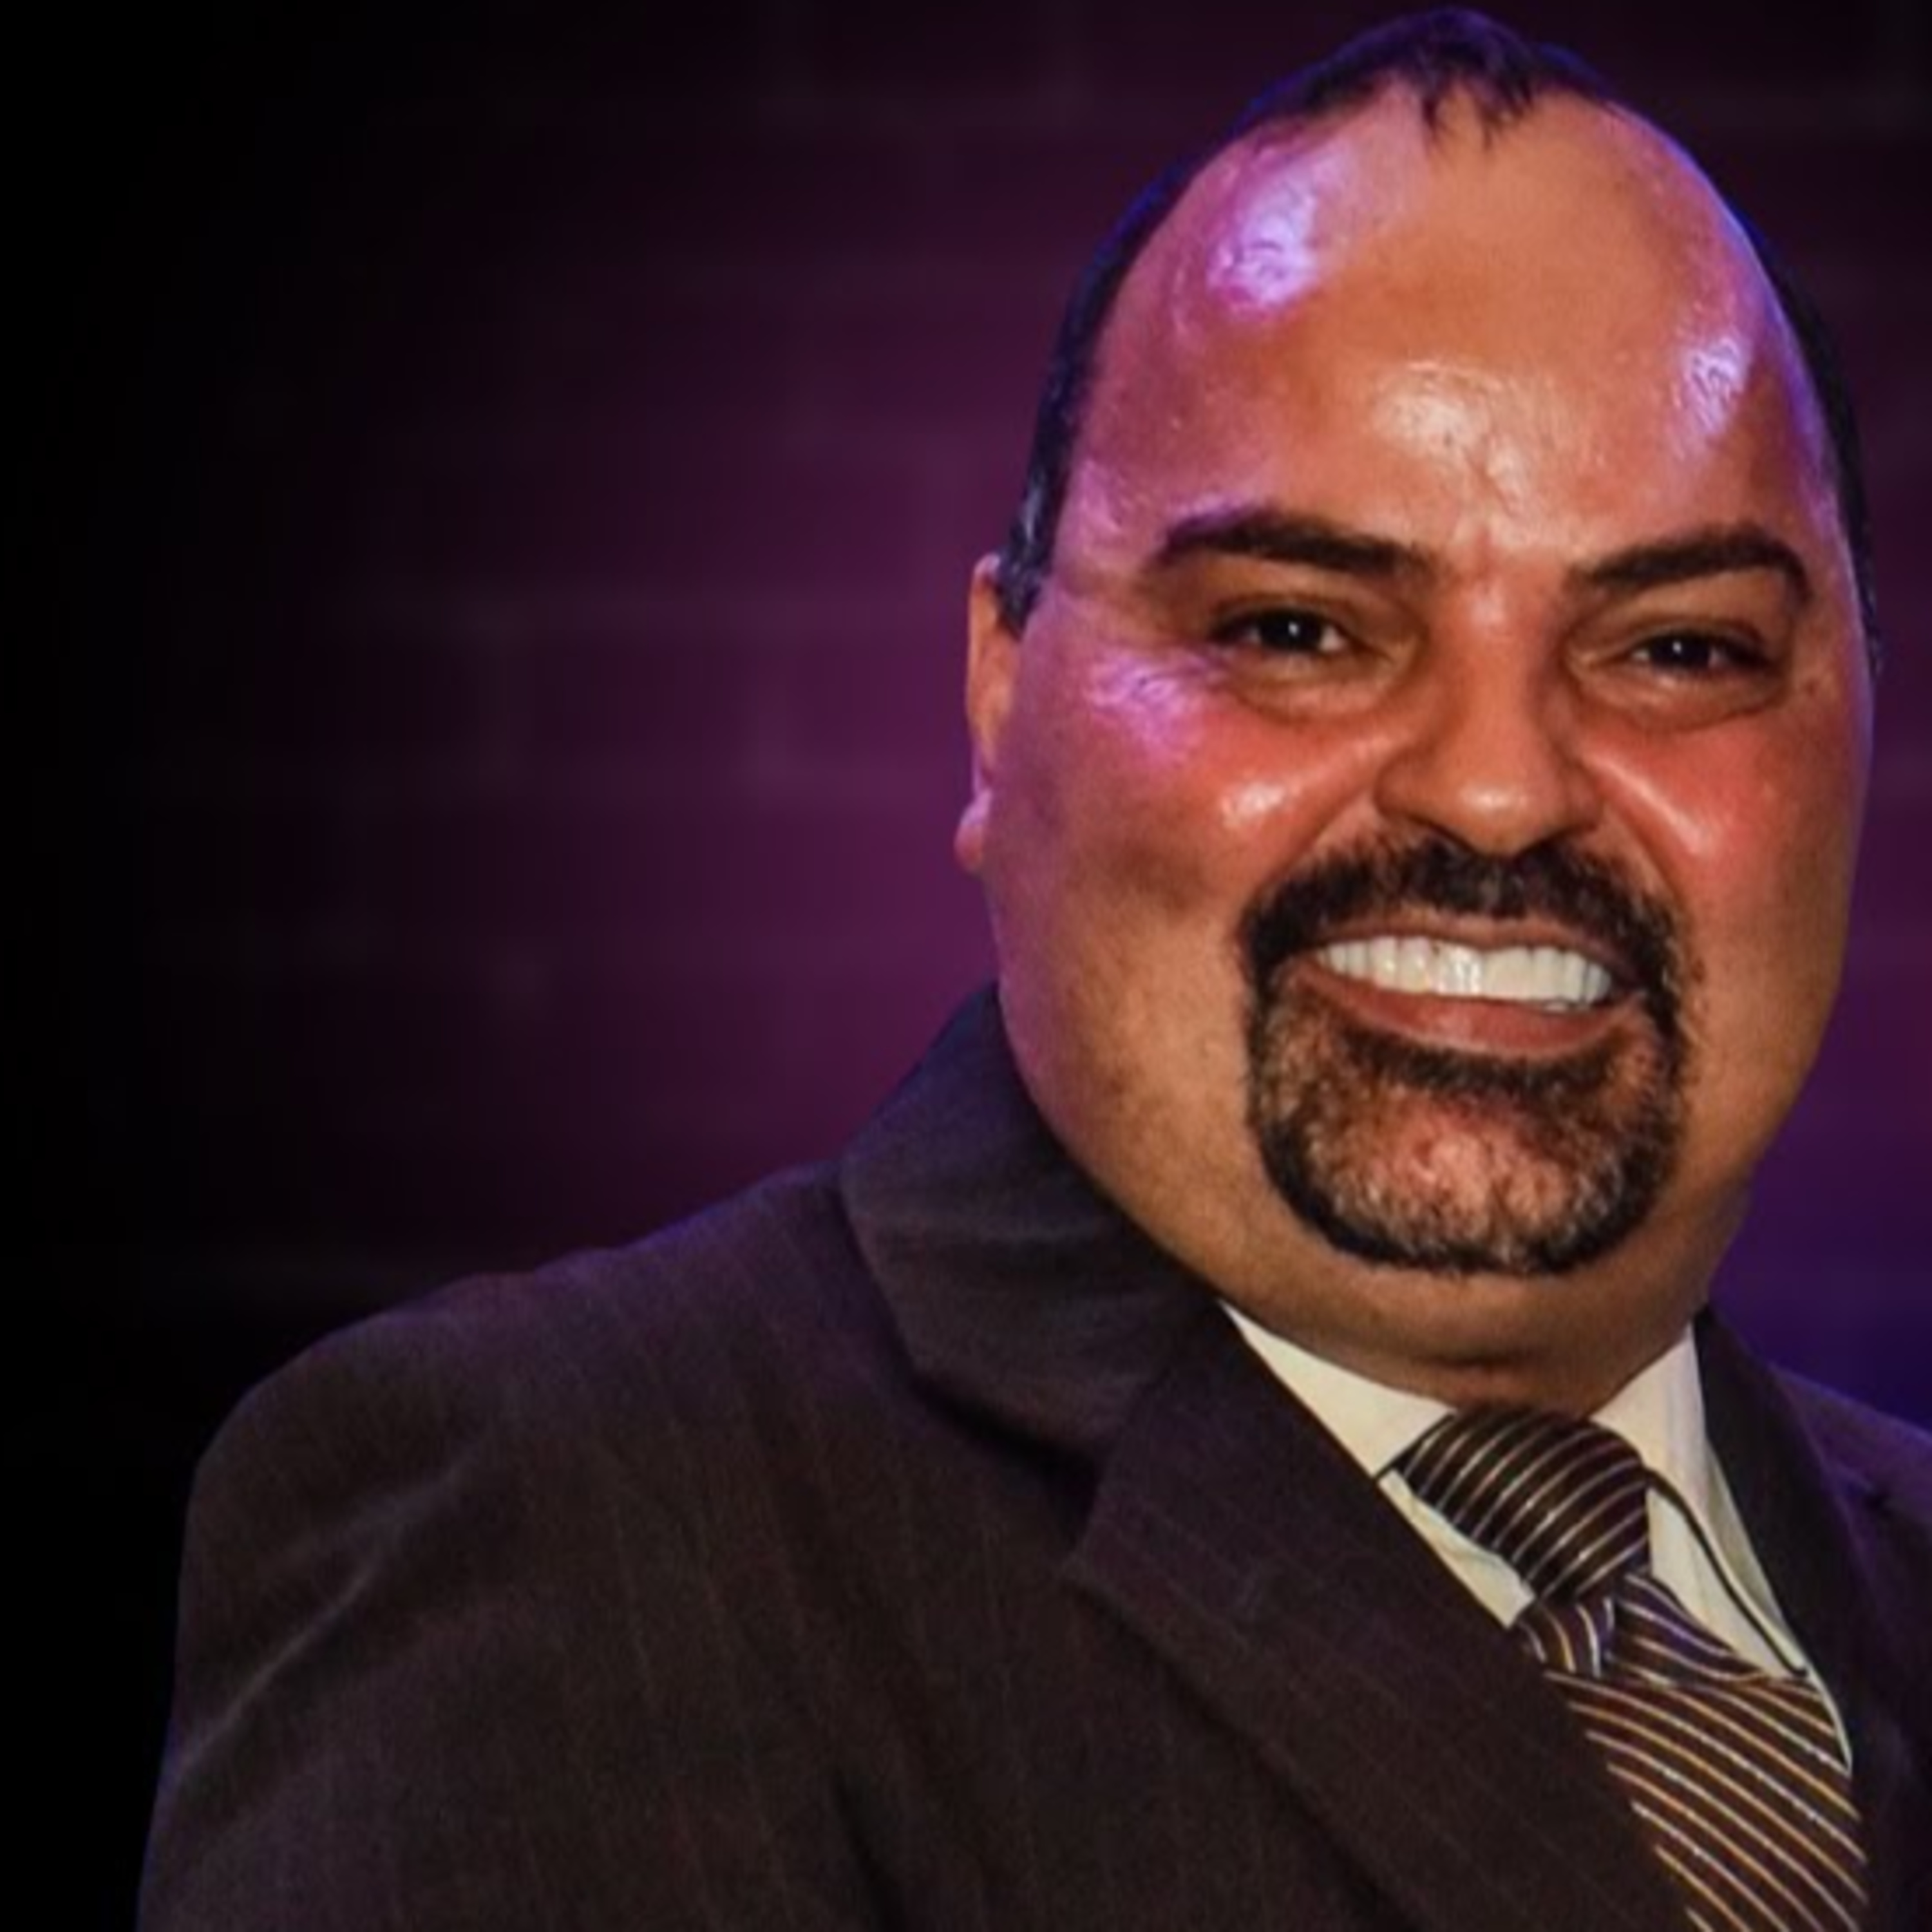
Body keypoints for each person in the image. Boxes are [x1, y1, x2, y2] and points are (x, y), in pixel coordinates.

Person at [142, 11, 1930, 1929]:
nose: (1499, 789)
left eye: (1680, 651)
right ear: (1002, 704)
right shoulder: (574, 1519)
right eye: (1298, 628)